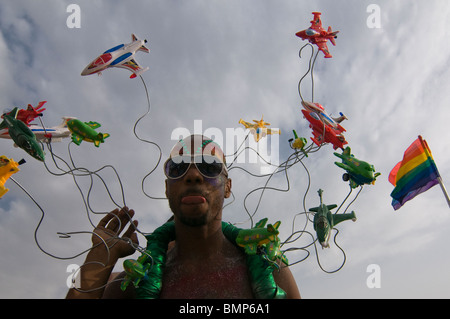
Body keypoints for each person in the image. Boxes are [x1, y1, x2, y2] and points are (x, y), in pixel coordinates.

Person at [66, 135, 300, 299]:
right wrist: (101, 256)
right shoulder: (136, 280)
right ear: (167, 188)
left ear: (227, 187)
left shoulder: (268, 268)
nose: (194, 175)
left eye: (209, 167)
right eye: (178, 168)